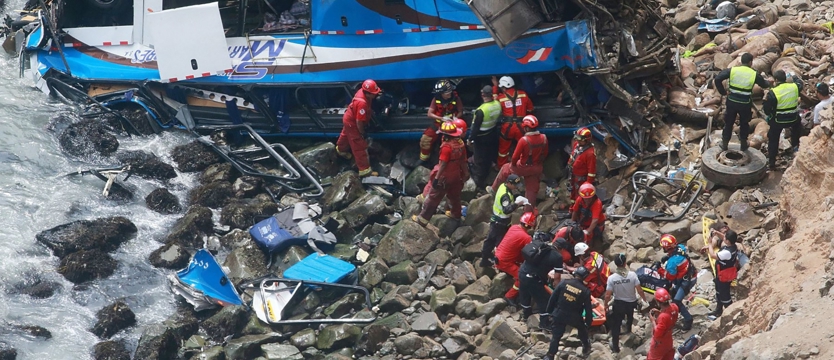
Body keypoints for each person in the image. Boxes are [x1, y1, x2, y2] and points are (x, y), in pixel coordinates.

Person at [413, 122, 469, 226]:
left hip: (445, 177)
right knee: (454, 197)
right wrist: (466, 173)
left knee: (433, 198)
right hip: (457, 175)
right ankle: (456, 215)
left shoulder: (446, 147)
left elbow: (443, 164)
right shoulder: (460, 144)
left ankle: (422, 219)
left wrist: (436, 179)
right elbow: (463, 161)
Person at [713, 52, 771, 151]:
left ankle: (724, 143)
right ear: (750, 62)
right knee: (744, 123)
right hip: (745, 103)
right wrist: (769, 81)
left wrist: (723, 92)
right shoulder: (754, 73)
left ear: (741, 61)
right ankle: (743, 143)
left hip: (732, 101)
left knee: (729, 123)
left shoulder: (733, 70)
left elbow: (717, 79)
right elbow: (764, 85)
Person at [489, 115, 548, 207]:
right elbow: (545, 154)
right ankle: (529, 211)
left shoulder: (524, 140)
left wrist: (513, 166)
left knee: (505, 168)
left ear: (527, 128)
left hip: (523, 167)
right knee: (531, 189)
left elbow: (514, 157)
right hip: (536, 168)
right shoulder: (544, 138)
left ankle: (493, 190)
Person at [543, 266, 593, 360]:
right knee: (582, 330)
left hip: (559, 314)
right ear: (585, 277)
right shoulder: (585, 291)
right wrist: (588, 322)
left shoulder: (563, 283)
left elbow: (553, 298)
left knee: (556, 336)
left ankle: (550, 355)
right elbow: (588, 309)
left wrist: (549, 312)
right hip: (574, 317)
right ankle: (586, 347)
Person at [336, 79, 381, 177]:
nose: (375, 95)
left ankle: (341, 149)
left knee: (346, 135)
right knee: (359, 146)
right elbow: (359, 121)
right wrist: (362, 133)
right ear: (368, 94)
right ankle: (365, 170)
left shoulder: (361, 92)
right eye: (374, 94)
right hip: (353, 123)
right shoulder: (362, 104)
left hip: (348, 119)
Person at [480, 174, 527, 267]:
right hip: (500, 222)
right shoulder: (505, 195)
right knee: (500, 242)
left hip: (498, 220)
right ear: (509, 183)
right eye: (514, 185)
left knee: (491, 239)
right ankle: (498, 262)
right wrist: (517, 204)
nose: (516, 187)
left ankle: (487, 258)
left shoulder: (502, 186)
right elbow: (507, 210)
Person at [604, 254, 648, 353]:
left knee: (616, 325)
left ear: (615, 264)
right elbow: (639, 290)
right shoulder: (632, 275)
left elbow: (607, 295)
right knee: (630, 315)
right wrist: (644, 300)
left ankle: (615, 347)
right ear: (624, 263)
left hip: (619, 304)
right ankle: (628, 330)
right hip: (631, 302)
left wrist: (606, 304)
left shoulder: (612, 278)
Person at [763, 69, 803, 170]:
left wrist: (765, 97)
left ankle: (772, 161)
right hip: (793, 118)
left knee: (773, 138)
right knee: (797, 127)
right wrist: (793, 75)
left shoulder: (773, 93)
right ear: (785, 78)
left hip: (778, 120)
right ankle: (795, 146)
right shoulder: (795, 87)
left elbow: (767, 111)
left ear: (776, 80)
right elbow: (799, 82)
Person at [495, 210, 538, 303]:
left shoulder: (514, 227)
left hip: (499, 255)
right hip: (505, 262)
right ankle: (510, 296)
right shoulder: (526, 238)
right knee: (522, 277)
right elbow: (529, 253)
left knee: (520, 260)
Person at [518, 232, 563, 320]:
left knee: (525, 295)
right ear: (562, 249)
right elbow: (557, 279)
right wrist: (558, 294)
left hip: (522, 272)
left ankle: (526, 315)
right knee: (544, 300)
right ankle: (544, 323)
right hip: (533, 278)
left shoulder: (540, 248)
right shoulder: (557, 257)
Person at [492, 75, 534, 168]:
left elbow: (493, 105)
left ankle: (501, 168)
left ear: (503, 87)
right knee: (524, 148)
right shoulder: (523, 94)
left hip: (507, 128)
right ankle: (523, 166)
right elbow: (530, 109)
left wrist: (495, 87)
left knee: (503, 150)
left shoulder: (500, 98)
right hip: (521, 127)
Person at [656, 234, 695, 331]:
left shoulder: (672, 263)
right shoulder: (680, 248)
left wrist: (659, 269)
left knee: (676, 301)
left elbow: (670, 276)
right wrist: (668, 257)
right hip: (691, 275)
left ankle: (688, 319)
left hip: (686, 281)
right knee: (674, 294)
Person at [421, 79, 463, 162]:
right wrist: (441, 118)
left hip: (452, 124)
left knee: (453, 142)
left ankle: (452, 159)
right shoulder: (436, 99)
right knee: (425, 139)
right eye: (447, 93)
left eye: (450, 92)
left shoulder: (456, 98)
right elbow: (429, 113)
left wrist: (455, 119)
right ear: (441, 93)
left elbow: (461, 111)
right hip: (439, 123)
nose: (449, 94)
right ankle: (424, 159)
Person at [468, 85, 501, 188]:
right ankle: (488, 174)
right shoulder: (497, 104)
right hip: (492, 134)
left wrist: (470, 139)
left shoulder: (481, 110)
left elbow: (475, 127)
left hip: (480, 138)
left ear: (482, 95)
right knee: (488, 156)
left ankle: (479, 181)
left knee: (479, 159)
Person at [707, 229, 739, 319]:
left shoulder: (726, 252)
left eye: (725, 237)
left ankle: (731, 314)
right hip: (721, 273)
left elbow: (713, 255)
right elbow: (724, 238)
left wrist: (709, 244)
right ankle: (718, 310)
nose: (723, 237)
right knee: (718, 291)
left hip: (724, 275)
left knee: (725, 295)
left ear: (728, 241)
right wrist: (717, 233)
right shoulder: (733, 246)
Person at [647, 287, 679, 360]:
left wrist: (653, 321)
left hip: (659, 343)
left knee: (654, 357)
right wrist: (660, 312)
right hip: (668, 338)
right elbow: (671, 317)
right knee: (667, 356)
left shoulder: (663, 317)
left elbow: (657, 334)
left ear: (658, 302)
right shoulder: (674, 307)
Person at [567, 127, 596, 202]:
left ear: (587, 140)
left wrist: (587, 184)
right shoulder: (577, 145)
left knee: (580, 198)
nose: (578, 141)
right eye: (577, 139)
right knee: (572, 194)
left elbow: (591, 171)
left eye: (580, 140)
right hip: (573, 176)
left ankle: (578, 212)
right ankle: (572, 210)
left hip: (581, 180)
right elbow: (573, 156)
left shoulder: (590, 153)